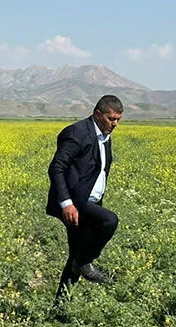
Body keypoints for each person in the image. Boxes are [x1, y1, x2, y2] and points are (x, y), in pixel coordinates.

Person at [46, 95, 123, 304]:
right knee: (109, 220)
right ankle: (85, 262)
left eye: (118, 120)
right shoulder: (77, 133)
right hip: (75, 204)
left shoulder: (104, 135)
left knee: (75, 255)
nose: (115, 124)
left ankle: (60, 307)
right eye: (111, 118)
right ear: (98, 114)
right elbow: (57, 168)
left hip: (89, 203)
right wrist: (66, 203)